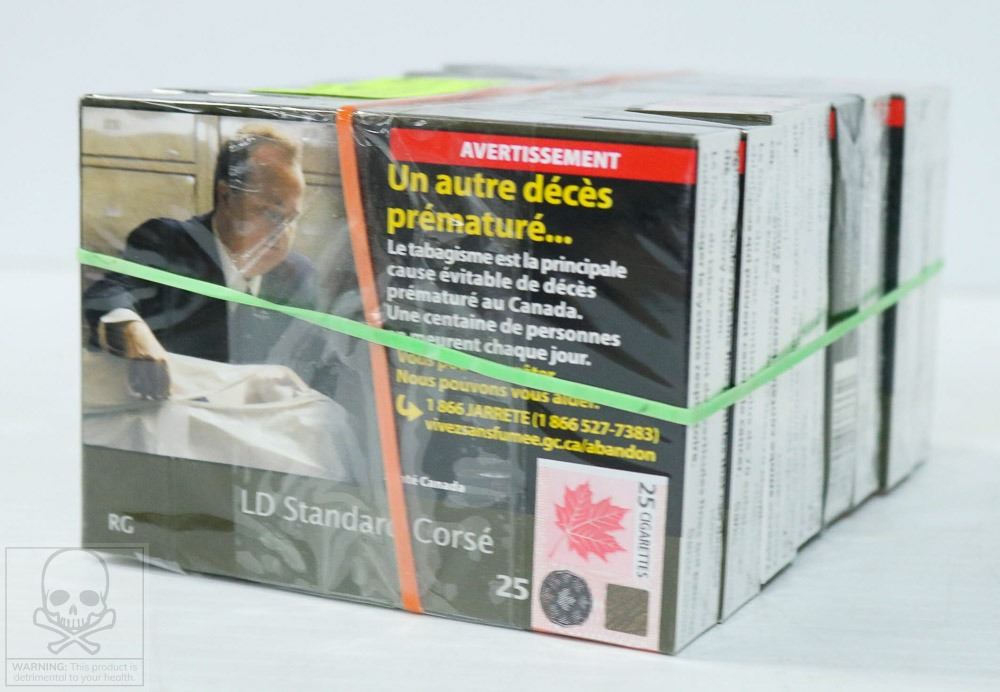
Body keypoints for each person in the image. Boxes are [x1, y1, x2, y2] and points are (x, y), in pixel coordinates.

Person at [84, 125, 317, 399]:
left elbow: (318, 365)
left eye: (292, 219)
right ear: (226, 197)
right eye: (272, 213)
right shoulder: (168, 242)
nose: (282, 234)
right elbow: (109, 294)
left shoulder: (297, 276)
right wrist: (133, 332)